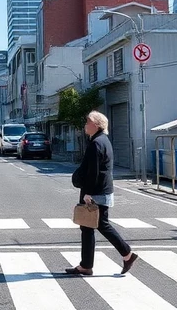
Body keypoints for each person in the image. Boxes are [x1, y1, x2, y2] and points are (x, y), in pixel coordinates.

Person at [65, 111, 138, 276]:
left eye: (87, 122)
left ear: (95, 125)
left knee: (100, 224)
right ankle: (86, 265)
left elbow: (94, 172)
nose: (85, 125)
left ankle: (126, 254)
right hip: (101, 190)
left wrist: (87, 193)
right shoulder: (102, 141)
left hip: (95, 192)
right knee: (89, 226)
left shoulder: (96, 143)